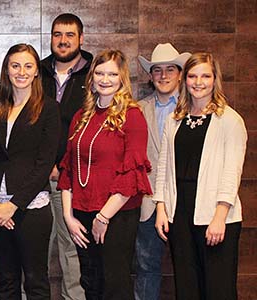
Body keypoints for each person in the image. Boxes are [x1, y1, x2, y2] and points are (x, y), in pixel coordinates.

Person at [58, 49, 152, 300]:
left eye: (112, 73)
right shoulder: (81, 116)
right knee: (90, 282)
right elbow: (69, 169)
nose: (105, 79)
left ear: (122, 78)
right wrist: (68, 216)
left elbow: (132, 175)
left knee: (114, 284)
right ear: (91, 77)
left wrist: (103, 217)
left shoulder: (132, 116)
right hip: (81, 213)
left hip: (116, 215)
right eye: (99, 73)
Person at [154, 52, 247, 300]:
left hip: (216, 215)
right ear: (185, 80)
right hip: (180, 212)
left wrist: (219, 217)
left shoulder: (229, 120)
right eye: (193, 76)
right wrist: (162, 208)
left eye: (205, 76)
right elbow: (164, 166)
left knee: (218, 288)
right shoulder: (176, 119)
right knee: (187, 286)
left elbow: (232, 172)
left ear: (215, 79)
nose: (198, 82)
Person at [0, 43, 60, 300]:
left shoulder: (48, 108)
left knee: (36, 282)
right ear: (7, 70)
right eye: (15, 66)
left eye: (28, 66)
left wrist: (13, 206)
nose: (21, 71)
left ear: (37, 71)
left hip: (30, 208)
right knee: (7, 282)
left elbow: (44, 164)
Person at [39, 13, 92, 299]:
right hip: (34, 182)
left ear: (81, 39)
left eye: (70, 35)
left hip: (71, 182)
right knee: (34, 252)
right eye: (58, 34)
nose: (63, 40)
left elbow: (92, 127)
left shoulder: (94, 73)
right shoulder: (37, 71)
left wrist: (63, 167)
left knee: (72, 252)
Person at [135, 43, 191, 300]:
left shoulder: (195, 108)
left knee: (188, 267)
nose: (164, 75)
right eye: (158, 70)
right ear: (150, 75)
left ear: (180, 74)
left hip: (186, 200)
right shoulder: (138, 109)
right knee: (146, 267)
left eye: (171, 69)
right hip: (148, 201)